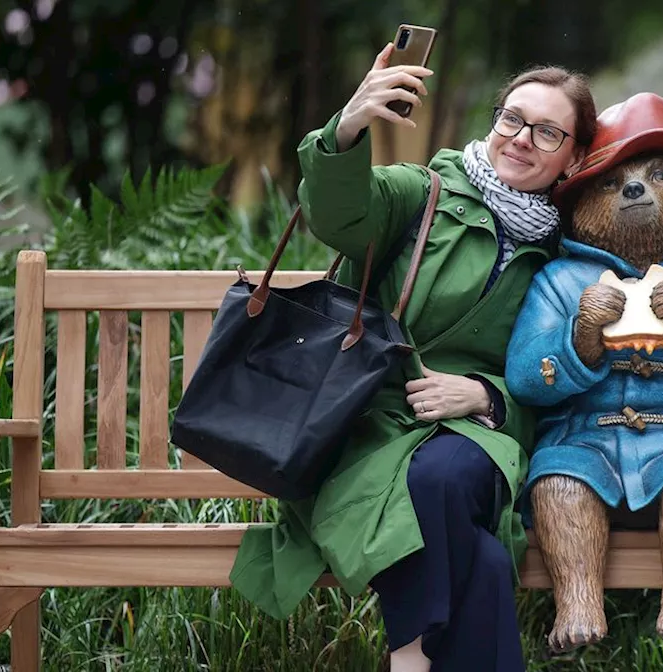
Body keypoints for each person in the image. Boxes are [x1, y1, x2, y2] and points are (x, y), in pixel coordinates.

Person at [227, 41, 597, 672]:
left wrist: (484, 395)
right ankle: (414, 653)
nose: (521, 139)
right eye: (512, 118)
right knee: (475, 555)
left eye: (547, 132)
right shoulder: (422, 192)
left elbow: (563, 373)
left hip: (479, 430)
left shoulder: (575, 252)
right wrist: (348, 127)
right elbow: (340, 215)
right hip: (369, 423)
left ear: (574, 154)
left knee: (441, 479)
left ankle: (407, 656)